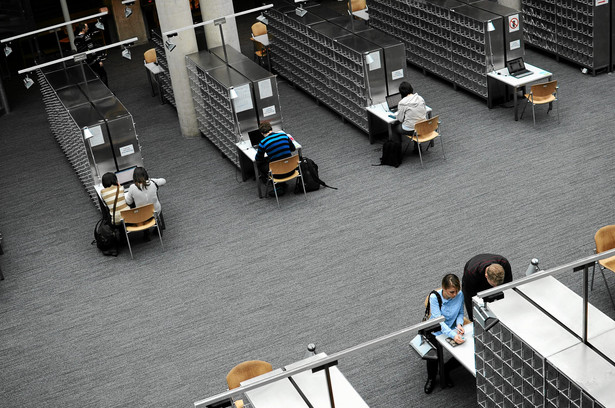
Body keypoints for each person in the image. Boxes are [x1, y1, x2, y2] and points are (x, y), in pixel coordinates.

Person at [424, 273, 465, 394]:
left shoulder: (459, 294)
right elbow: (439, 322)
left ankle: (445, 370)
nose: (455, 295)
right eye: (452, 292)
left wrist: (459, 324)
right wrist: (453, 335)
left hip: (452, 328)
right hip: (436, 329)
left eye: (457, 291)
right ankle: (431, 378)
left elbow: (460, 313)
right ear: (443, 288)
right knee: (433, 356)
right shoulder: (434, 297)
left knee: (464, 350)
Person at [462, 254, 513, 320]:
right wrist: (473, 319)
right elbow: (470, 300)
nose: (495, 288)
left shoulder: (504, 264)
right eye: (494, 285)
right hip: (475, 280)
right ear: (486, 276)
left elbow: (508, 289)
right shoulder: (471, 273)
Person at [254, 121, 296, 193]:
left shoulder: (263, 143)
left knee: (260, 165)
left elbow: (258, 158)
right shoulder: (284, 135)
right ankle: (281, 184)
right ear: (271, 129)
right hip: (292, 170)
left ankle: (277, 186)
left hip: (278, 174)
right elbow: (293, 149)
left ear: (261, 133)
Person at [125, 167, 166, 233]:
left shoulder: (132, 187)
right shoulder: (152, 182)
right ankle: (157, 224)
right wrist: (151, 180)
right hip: (156, 212)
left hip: (142, 216)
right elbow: (164, 181)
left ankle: (146, 232)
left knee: (138, 208)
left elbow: (128, 202)